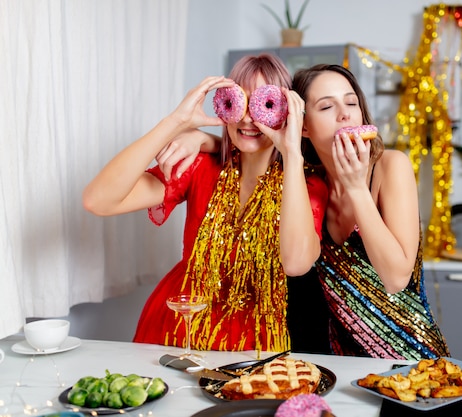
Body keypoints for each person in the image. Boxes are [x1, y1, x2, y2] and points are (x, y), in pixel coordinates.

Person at [82, 54, 327, 353]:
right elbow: (99, 200)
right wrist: (175, 123)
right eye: (240, 102)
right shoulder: (200, 166)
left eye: (263, 105)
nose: (248, 118)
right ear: (226, 105)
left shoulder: (308, 185)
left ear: (286, 111)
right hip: (178, 326)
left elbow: (298, 262)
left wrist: (290, 152)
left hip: (256, 341)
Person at [291, 64, 449, 360]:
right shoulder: (307, 186)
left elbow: (396, 278)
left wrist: (356, 188)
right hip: (346, 370)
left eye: (351, 103)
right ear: (304, 127)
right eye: (326, 106)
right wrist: (208, 140)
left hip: (415, 364)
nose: (345, 114)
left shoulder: (391, 167)